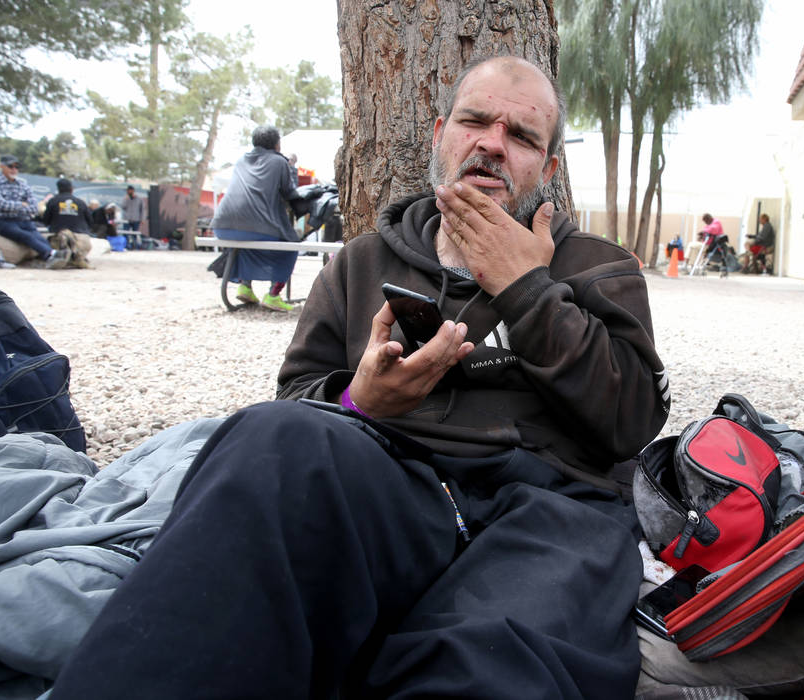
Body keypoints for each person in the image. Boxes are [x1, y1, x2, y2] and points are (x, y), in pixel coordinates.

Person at [50, 55, 671, 699]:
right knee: (269, 443)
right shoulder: (362, 261)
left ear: (548, 168)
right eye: (475, 121)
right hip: (391, 485)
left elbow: (628, 426)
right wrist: (358, 400)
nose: (491, 144)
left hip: (551, 507)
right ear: (439, 135)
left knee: (484, 666)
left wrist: (527, 289)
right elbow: (294, 396)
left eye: (521, 137)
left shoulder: (599, 267)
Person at [210, 125, 301, 312]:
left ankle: (245, 286)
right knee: (291, 246)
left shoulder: (242, 160)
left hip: (222, 224)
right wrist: (291, 169)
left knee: (246, 247)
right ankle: (273, 295)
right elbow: (289, 192)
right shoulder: (279, 162)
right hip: (256, 226)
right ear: (277, 144)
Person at [0, 155, 68, 269]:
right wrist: (22, 204)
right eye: (10, 166)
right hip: (4, 222)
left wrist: (14, 206)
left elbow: (34, 207)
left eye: (17, 167)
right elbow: (1, 204)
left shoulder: (23, 184)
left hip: (24, 221)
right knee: (26, 236)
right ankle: (50, 255)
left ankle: (52, 255)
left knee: (38, 236)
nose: (14, 169)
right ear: (1, 167)